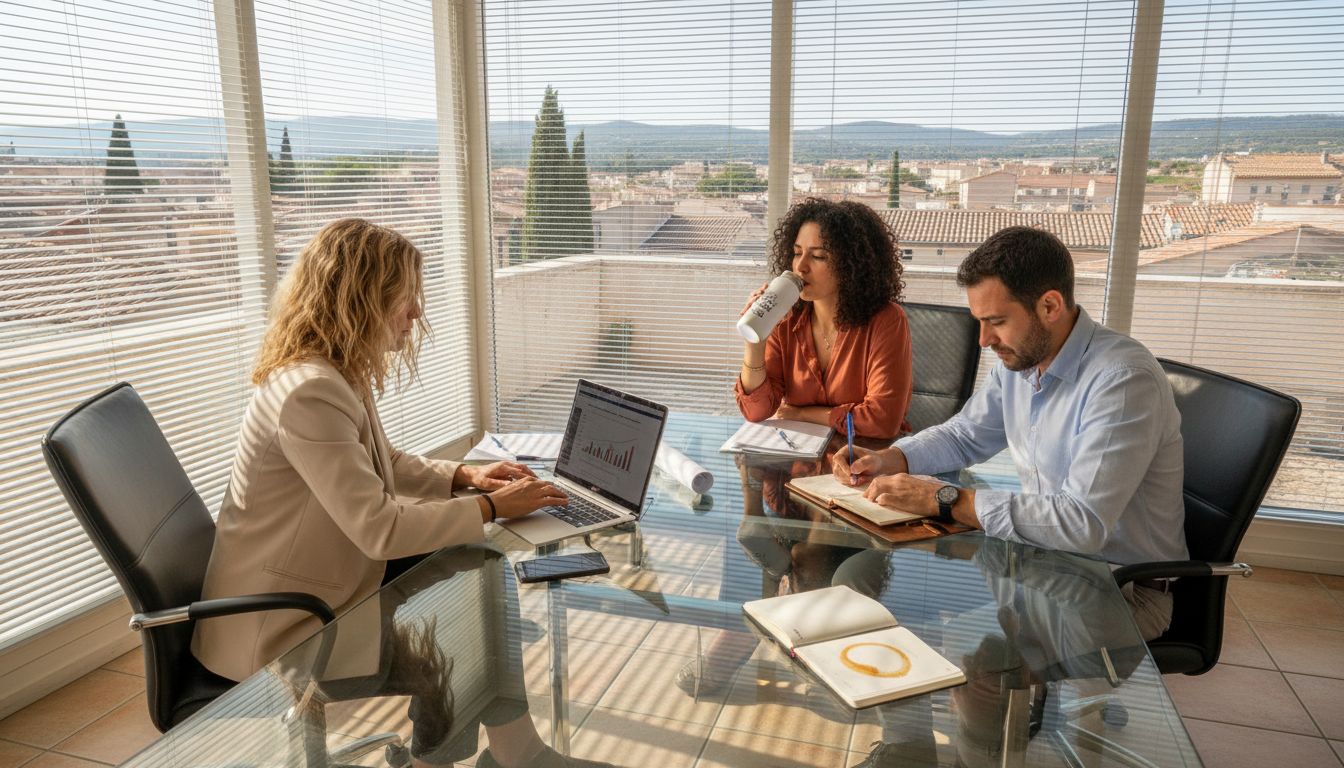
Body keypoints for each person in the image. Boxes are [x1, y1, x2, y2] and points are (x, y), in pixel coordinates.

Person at [192, 218, 603, 768]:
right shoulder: (309, 390)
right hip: (284, 626)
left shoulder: (332, 371)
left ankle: (513, 752)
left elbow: (380, 464)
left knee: (477, 575)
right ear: (360, 300)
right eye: (405, 298)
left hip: (320, 588)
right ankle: (502, 756)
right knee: (462, 635)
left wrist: (465, 478)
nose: (416, 314)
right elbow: (379, 529)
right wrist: (488, 508)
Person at [833, 226, 1187, 642]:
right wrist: (892, 457)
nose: (983, 340)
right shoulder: (1020, 360)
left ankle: (1052, 704)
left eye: (996, 322)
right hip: (1040, 565)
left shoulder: (1122, 380)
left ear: (1050, 305)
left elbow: (1082, 523)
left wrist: (945, 499)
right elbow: (965, 435)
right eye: (979, 322)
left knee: (946, 653)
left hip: (1116, 590)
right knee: (859, 586)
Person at [737, 198, 914, 440]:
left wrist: (801, 414)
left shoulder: (887, 320)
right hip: (798, 465)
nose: (801, 267)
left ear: (852, 264)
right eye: (797, 253)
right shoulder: (784, 318)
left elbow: (882, 422)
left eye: (818, 256)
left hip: (867, 464)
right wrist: (755, 341)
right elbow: (756, 411)